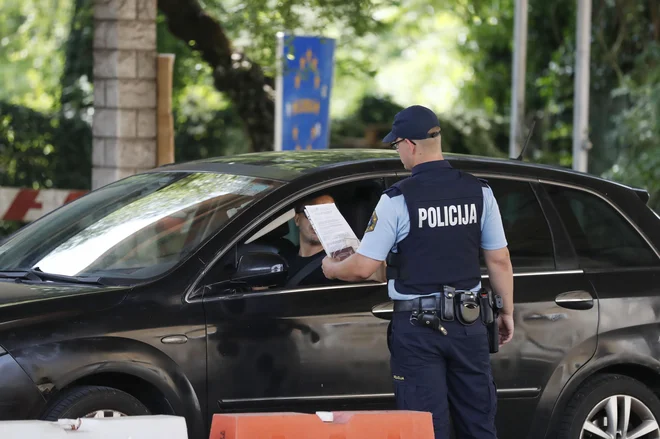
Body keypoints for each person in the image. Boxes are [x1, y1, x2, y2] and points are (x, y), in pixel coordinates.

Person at [321, 105, 514, 439]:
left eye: (396, 146)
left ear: (409, 144)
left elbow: (365, 266)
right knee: (478, 424)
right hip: (470, 323)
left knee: (424, 428)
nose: (398, 153)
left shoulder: (397, 200)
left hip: (418, 330)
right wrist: (507, 311)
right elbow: (499, 260)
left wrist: (333, 267)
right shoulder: (479, 192)